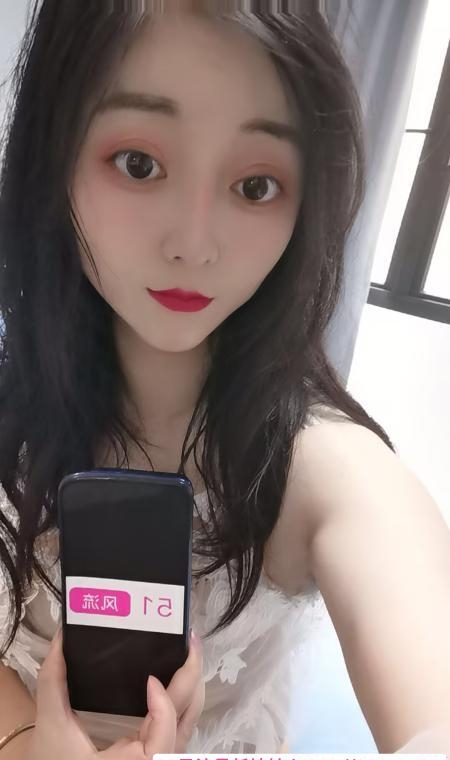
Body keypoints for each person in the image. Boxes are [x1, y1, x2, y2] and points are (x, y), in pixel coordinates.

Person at [0, 0, 449, 756]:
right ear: (56, 155)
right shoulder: (14, 405)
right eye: (139, 164)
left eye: (256, 185)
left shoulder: (321, 469)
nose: (195, 244)